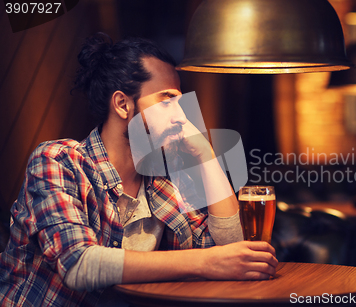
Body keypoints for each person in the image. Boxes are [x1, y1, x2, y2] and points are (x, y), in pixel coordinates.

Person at [0, 33, 278, 307]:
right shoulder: (59, 160)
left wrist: (206, 153)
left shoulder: (165, 179)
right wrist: (207, 263)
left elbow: (229, 249)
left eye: (181, 103)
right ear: (123, 104)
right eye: (167, 100)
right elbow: (78, 264)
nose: (182, 117)